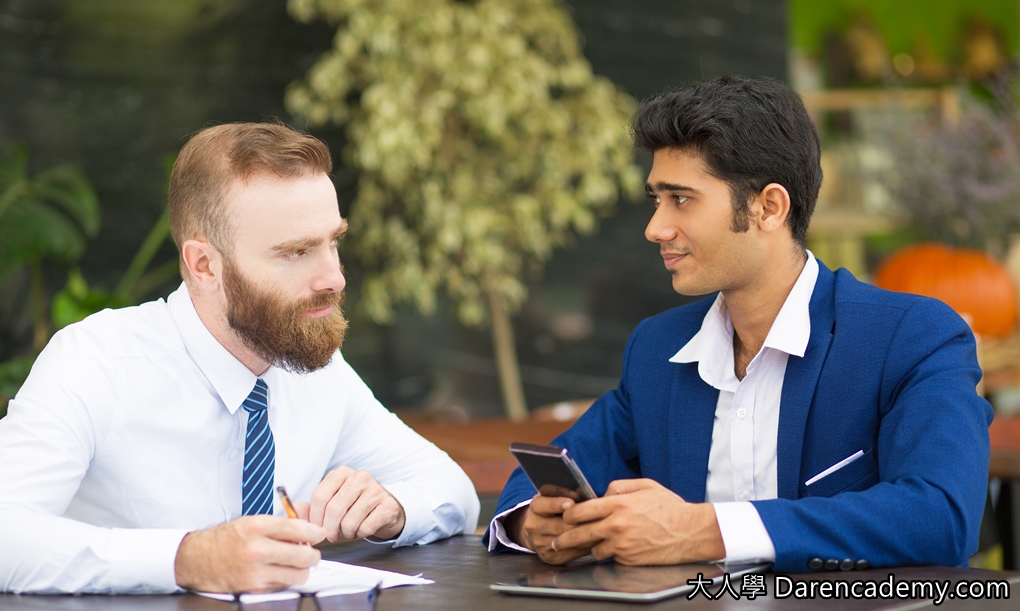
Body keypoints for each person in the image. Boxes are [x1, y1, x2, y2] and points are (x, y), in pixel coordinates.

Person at [484, 76, 992, 572]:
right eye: (655, 199)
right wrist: (535, 520)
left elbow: (942, 516)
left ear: (768, 207)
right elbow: (553, 470)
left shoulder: (911, 337)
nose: (655, 227)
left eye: (681, 199)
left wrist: (702, 530)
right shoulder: (659, 348)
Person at [0, 122, 479, 594]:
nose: (334, 277)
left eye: (333, 242)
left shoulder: (312, 366)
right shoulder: (98, 361)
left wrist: (394, 507)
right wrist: (187, 558)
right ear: (205, 265)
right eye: (296, 252)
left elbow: (452, 490)